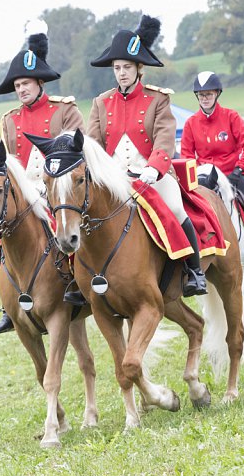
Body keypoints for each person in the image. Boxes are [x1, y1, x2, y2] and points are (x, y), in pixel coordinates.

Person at [87, 15, 207, 296]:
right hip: (115, 180)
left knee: (176, 210)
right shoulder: (101, 102)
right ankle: (79, 279)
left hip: (152, 175)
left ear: (139, 68)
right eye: (117, 68)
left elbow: (165, 138)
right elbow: (92, 143)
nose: (122, 72)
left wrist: (154, 167)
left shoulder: (158, 98)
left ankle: (194, 271)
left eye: (127, 67)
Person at [0, 22, 84, 333]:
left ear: (40, 83)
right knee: (0, 234)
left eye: (27, 83)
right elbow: (7, 162)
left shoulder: (64, 110)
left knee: (66, 227)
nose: (21, 89)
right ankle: (8, 302)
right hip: (22, 193)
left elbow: (74, 151)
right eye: (17, 85)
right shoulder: (9, 120)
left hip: (57, 186)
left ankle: (78, 286)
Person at [179, 71, 244, 275]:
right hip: (205, 180)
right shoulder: (190, 123)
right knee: (184, 214)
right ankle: (192, 267)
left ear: (217, 94)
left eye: (208, 94)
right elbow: (187, 155)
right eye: (201, 95)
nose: (204, 98)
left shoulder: (231, 116)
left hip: (232, 175)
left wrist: (240, 167)